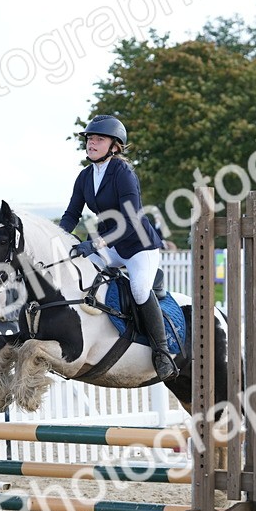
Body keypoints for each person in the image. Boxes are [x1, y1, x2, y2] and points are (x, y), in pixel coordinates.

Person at [59, 114, 176, 380]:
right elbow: (71, 214)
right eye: (89, 139)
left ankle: (162, 351)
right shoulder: (85, 176)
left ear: (114, 146)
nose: (91, 143)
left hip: (138, 246)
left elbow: (131, 219)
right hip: (109, 244)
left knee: (138, 288)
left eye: (98, 139)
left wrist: (95, 244)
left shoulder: (123, 173)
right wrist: (58, 238)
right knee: (83, 279)